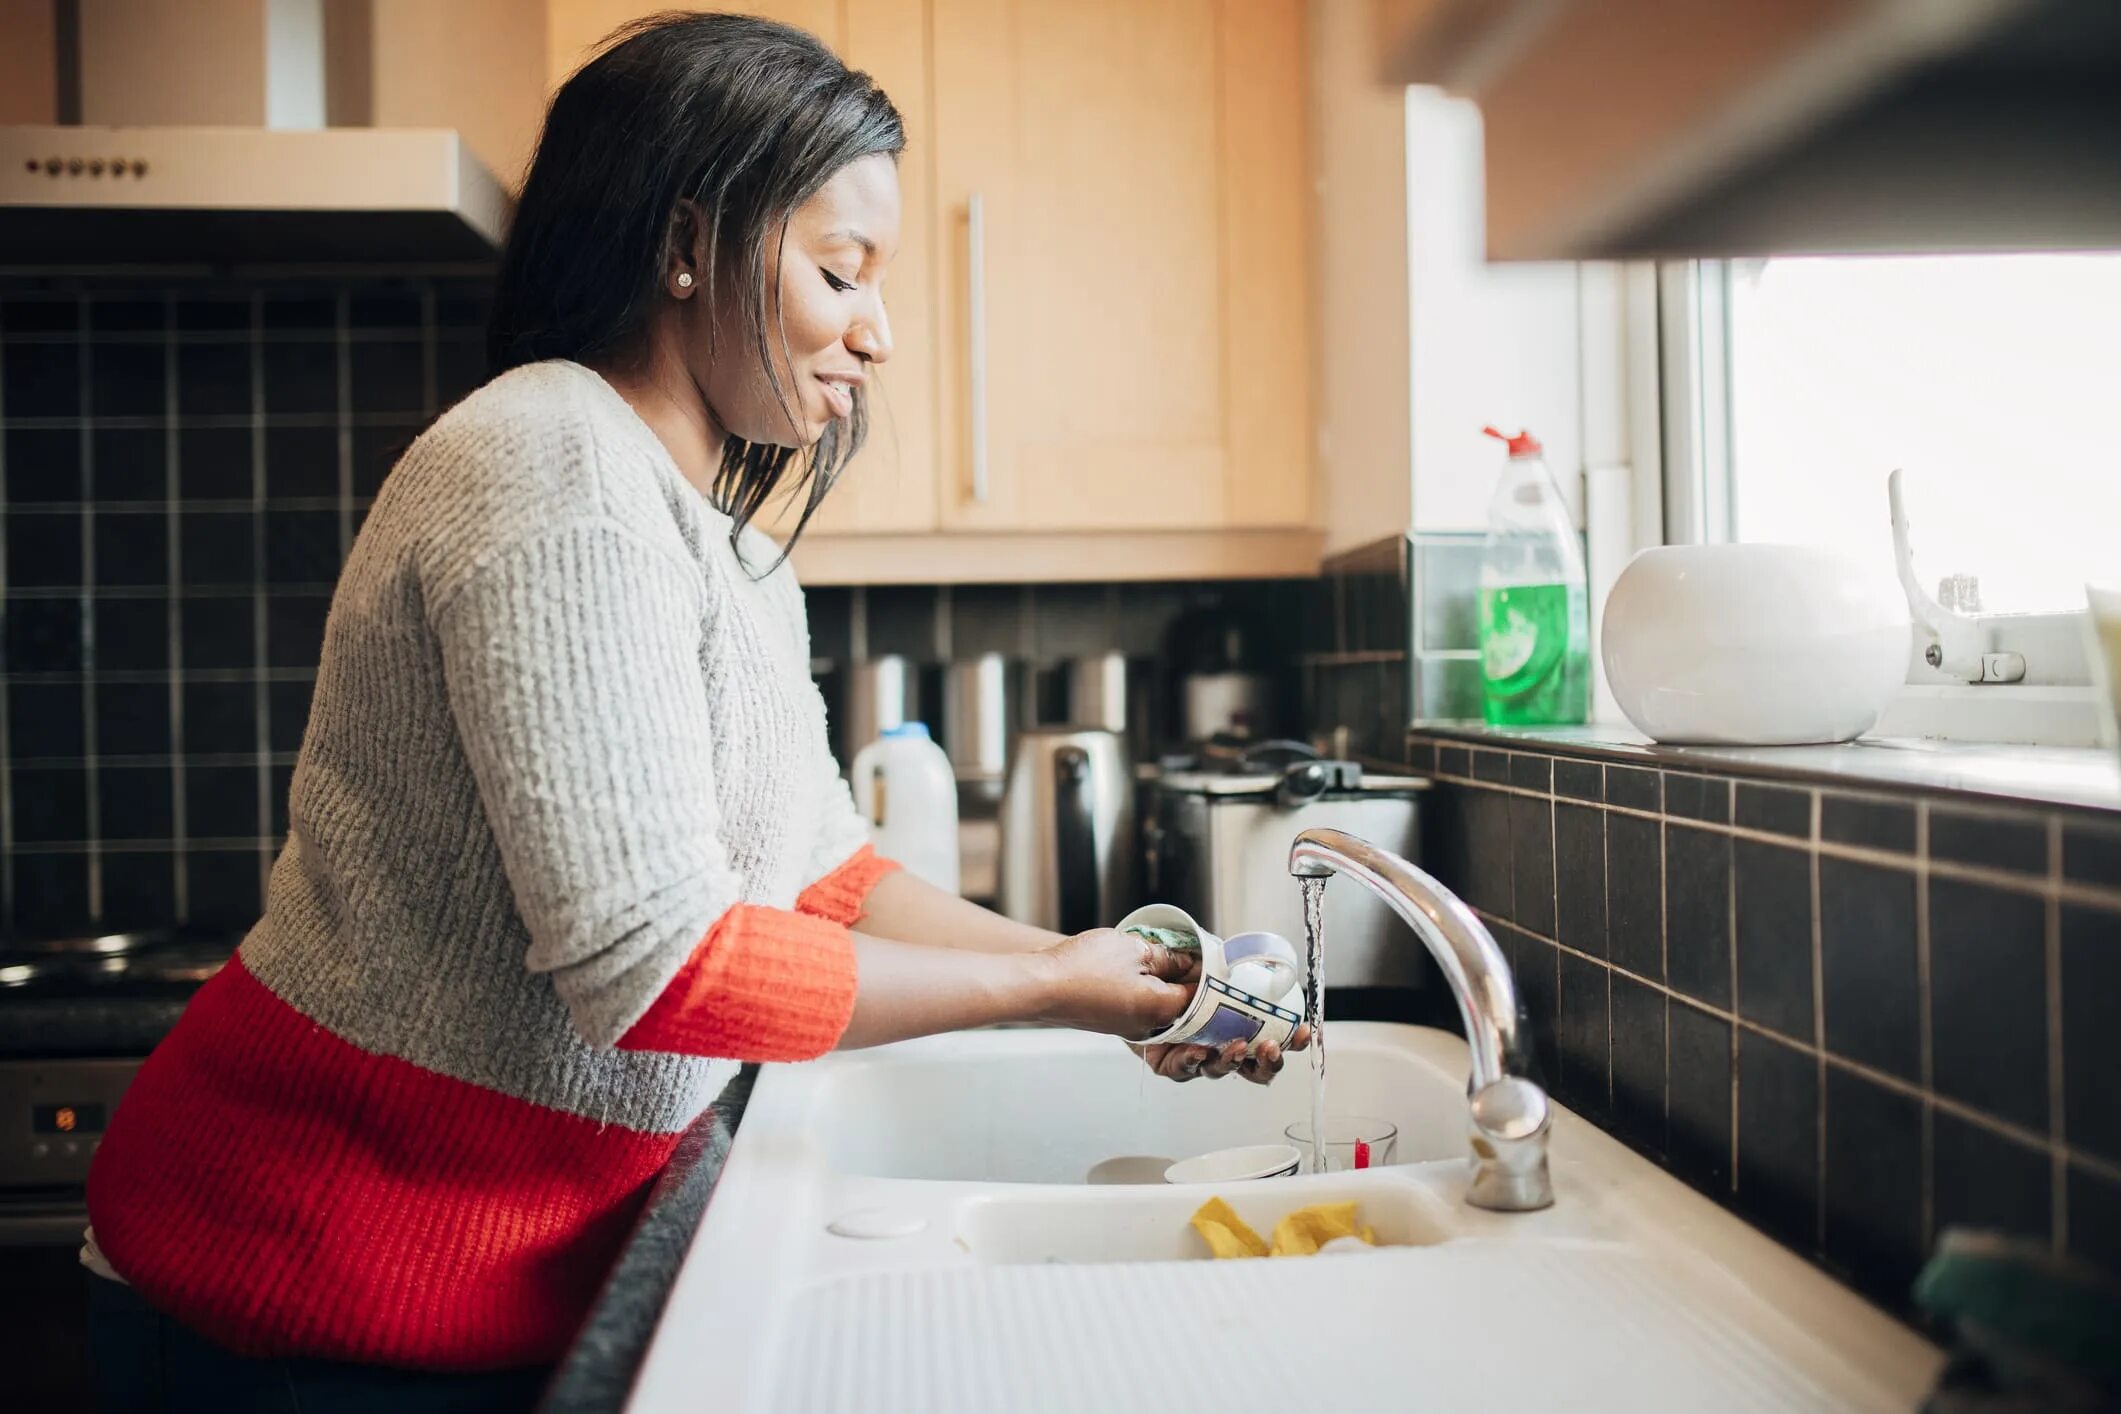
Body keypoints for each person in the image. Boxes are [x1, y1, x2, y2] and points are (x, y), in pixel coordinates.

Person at [81, 14, 1303, 1409]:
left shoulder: (725, 545)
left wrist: (1090, 969)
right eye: (840, 270)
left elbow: (826, 878)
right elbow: (655, 965)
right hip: (298, 1275)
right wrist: (1043, 987)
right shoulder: (548, 461)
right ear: (683, 243)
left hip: (494, 1278)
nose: (880, 330)